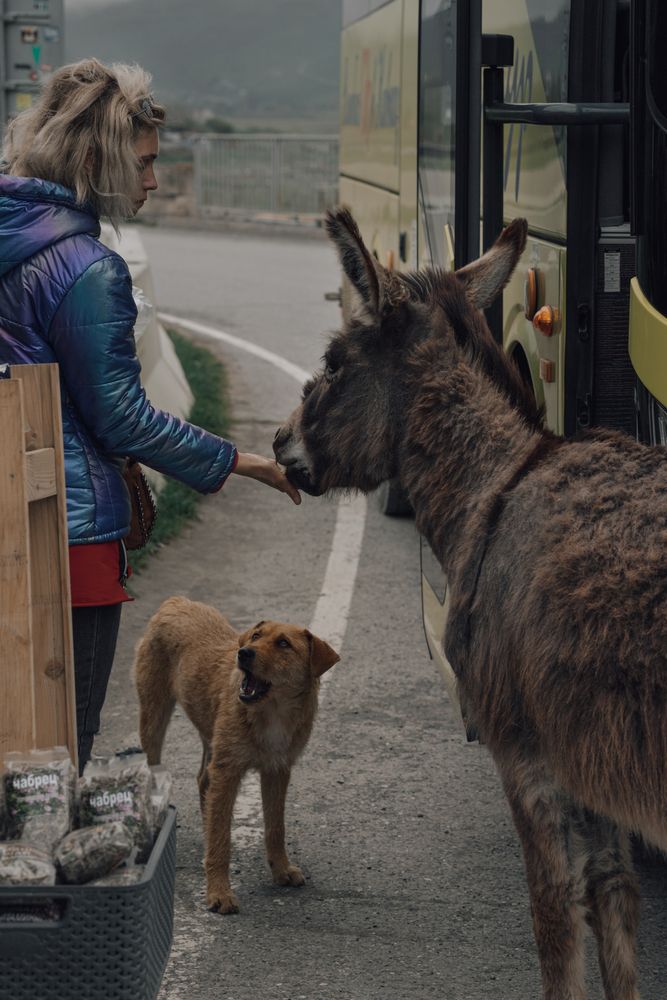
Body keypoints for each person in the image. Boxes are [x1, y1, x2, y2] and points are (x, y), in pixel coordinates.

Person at [0, 58, 300, 771]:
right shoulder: (84, 267)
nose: (154, 181)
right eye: (144, 163)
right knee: (55, 747)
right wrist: (243, 461)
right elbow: (122, 420)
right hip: (61, 536)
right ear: (95, 159)